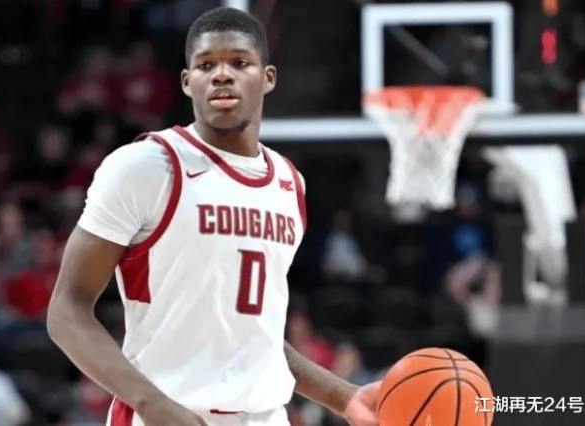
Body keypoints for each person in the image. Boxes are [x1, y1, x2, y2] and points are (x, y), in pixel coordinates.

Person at [47, 7, 380, 426]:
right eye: (206, 65)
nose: (222, 74)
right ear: (187, 82)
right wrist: (150, 403)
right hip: (168, 415)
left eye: (239, 63)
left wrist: (345, 398)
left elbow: (254, 336)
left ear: (268, 77)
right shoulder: (146, 166)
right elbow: (66, 310)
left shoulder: (288, 183)